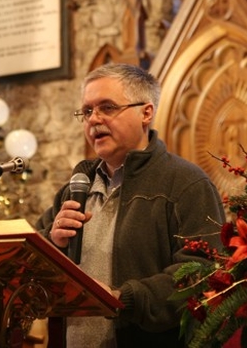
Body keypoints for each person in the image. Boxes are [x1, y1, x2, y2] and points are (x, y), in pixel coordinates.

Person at [35, 63, 225, 347]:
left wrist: (125, 299)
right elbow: (32, 262)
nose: (93, 119)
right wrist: (53, 242)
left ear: (146, 113)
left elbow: (203, 273)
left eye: (107, 107)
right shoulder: (76, 187)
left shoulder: (186, 184)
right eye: (87, 111)